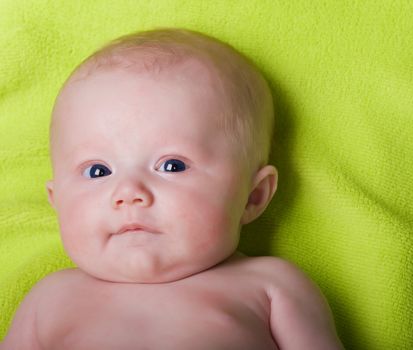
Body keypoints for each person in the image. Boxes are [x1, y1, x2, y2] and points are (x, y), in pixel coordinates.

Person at [1, 27, 344, 349]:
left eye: (172, 166)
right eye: (97, 170)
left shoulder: (270, 286)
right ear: (56, 200)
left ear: (253, 196)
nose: (129, 192)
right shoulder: (50, 297)